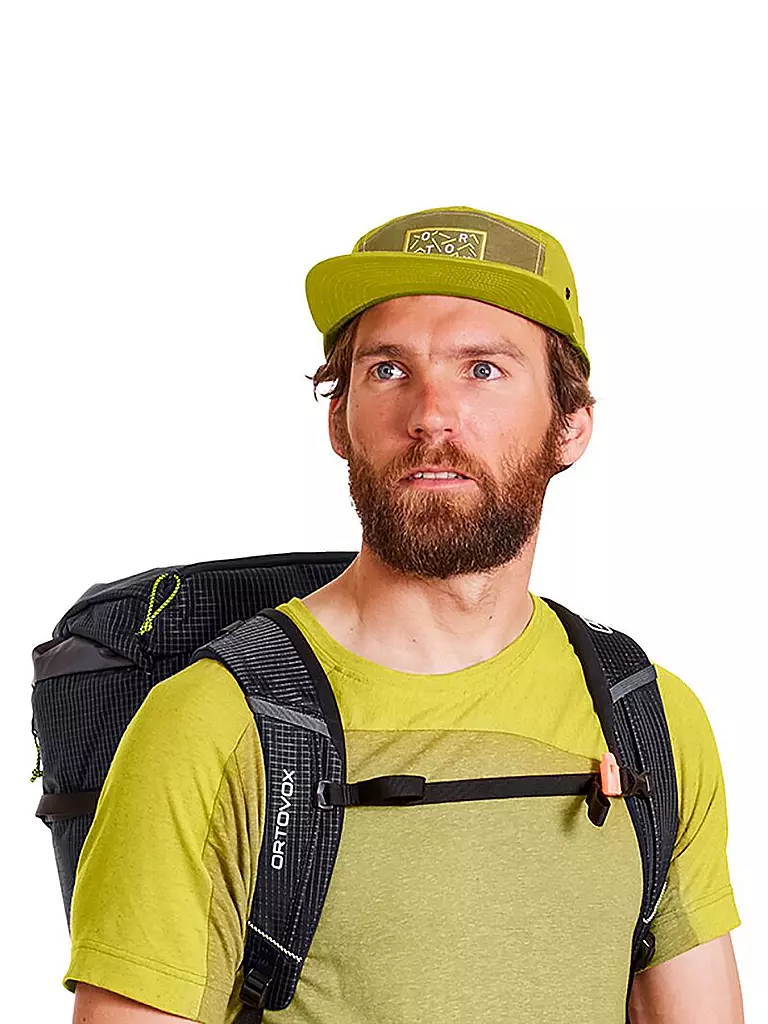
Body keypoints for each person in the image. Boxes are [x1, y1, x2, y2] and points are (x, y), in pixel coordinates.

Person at [66, 206, 743, 1023]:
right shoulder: (211, 726)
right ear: (339, 420)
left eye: (483, 369)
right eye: (388, 370)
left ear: (570, 426)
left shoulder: (648, 720)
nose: (430, 413)